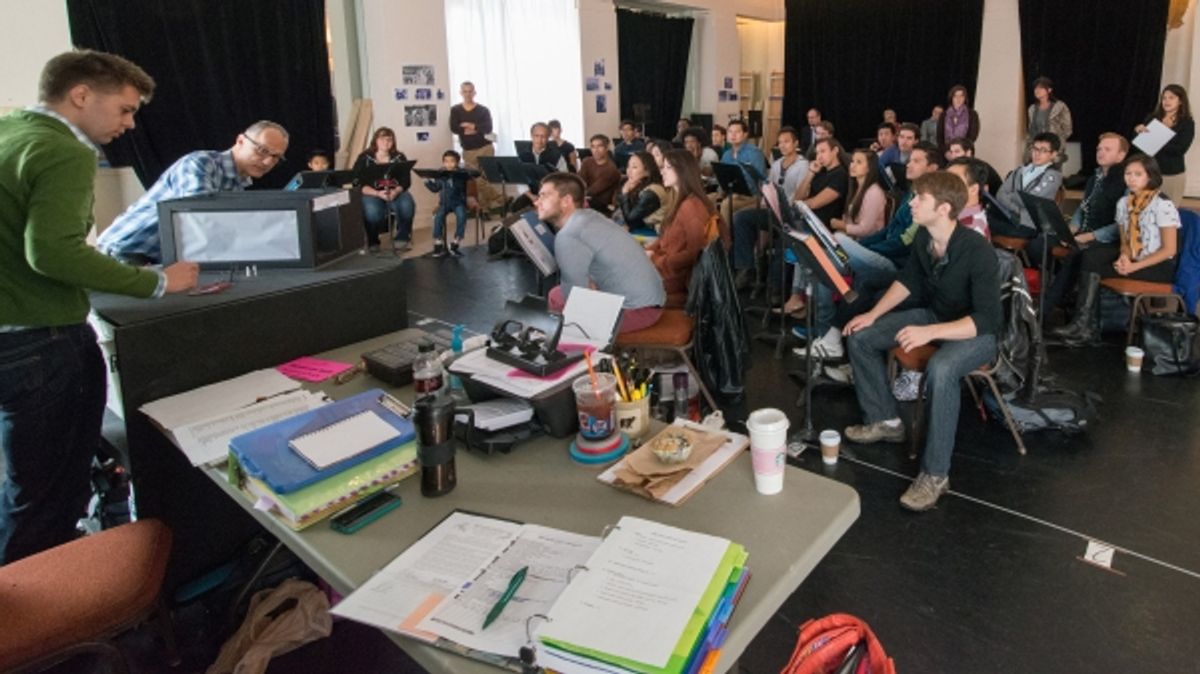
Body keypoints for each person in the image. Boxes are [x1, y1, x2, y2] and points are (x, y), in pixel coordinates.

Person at [1, 50, 200, 564]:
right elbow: (52, 252)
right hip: (40, 339)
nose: (129, 124)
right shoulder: (65, 150)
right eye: (125, 109)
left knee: (21, 482)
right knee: (48, 495)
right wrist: (157, 282)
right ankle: (44, 598)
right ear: (81, 95)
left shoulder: (10, 132)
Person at [842, 172, 1001, 512]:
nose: (911, 203)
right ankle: (885, 420)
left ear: (943, 208)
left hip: (975, 333)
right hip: (936, 316)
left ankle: (935, 475)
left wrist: (930, 332)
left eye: (920, 198)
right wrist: (873, 314)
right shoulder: (925, 239)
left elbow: (988, 320)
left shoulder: (977, 250)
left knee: (941, 370)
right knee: (862, 337)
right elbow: (908, 282)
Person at [794, 142, 945, 358]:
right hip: (881, 253)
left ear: (932, 168)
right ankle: (825, 334)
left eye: (916, 161)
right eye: (910, 159)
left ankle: (830, 337)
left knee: (837, 242)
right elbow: (888, 232)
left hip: (894, 263)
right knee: (824, 265)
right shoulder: (910, 194)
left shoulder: (925, 203)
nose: (908, 164)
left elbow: (903, 242)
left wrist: (864, 248)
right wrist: (862, 247)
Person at [97, 119, 290, 264]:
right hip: (126, 250)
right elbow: (198, 218)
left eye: (276, 158)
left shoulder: (238, 184)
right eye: (262, 150)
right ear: (240, 141)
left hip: (154, 259)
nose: (268, 162)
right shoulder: (200, 163)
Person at [1054, 155, 1180, 346]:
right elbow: (1125, 241)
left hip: (1157, 264)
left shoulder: (1162, 204)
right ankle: (1084, 325)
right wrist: (1124, 257)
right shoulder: (1124, 203)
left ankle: (1086, 327)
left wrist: (1134, 267)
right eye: (1128, 174)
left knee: (1096, 265)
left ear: (1150, 176)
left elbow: (1169, 249)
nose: (1131, 179)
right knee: (1090, 256)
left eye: (1138, 174)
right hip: (1134, 258)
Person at [540, 173, 665, 333]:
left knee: (558, 299)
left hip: (636, 311)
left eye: (545, 196)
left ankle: (569, 343)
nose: (537, 202)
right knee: (560, 293)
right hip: (649, 302)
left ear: (566, 201)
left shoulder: (570, 234)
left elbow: (574, 299)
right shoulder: (591, 216)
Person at [1035, 133, 1130, 316]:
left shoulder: (1125, 181)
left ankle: (1046, 308)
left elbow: (1121, 225)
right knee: (1040, 242)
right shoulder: (1095, 177)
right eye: (1099, 149)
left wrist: (1089, 236)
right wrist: (1071, 229)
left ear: (1121, 155)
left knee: (1077, 254)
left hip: (1106, 239)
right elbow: (1083, 207)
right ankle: (1062, 292)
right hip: (1085, 233)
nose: (1101, 152)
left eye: (1107, 149)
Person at [785, 148, 886, 316]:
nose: (852, 165)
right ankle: (802, 302)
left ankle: (822, 316)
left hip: (860, 250)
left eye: (859, 162)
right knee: (807, 253)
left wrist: (840, 225)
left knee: (819, 265)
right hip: (849, 245)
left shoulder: (873, 192)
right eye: (852, 161)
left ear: (870, 168)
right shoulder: (857, 189)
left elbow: (866, 229)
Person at [732, 127, 809, 289]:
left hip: (790, 215)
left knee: (783, 238)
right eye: (779, 142)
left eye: (786, 142)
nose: (782, 146)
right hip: (772, 211)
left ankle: (775, 286)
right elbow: (769, 187)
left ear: (796, 143)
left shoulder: (803, 165)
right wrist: (764, 200)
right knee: (741, 218)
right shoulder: (777, 164)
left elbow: (800, 196)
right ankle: (746, 268)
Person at [649, 150, 719, 307]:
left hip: (673, 276)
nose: (662, 171)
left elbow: (696, 252)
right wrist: (650, 250)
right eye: (663, 167)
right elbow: (665, 237)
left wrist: (659, 260)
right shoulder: (679, 199)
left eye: (668, 167)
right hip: (666, 268)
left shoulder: (691, 206)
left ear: (683, 170)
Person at [352, 127, 416, 252]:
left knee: (407, 205)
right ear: (375, 140)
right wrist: (377, 193)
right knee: (372, 212)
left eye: (389, 140)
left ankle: (403, 237)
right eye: (382, 139)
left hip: (395, 191)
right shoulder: (364, 158)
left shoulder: (399, 157)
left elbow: (406, 181)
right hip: (371, 193)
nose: (386, 142)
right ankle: (373, 241)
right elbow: (357, 182)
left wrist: (395, 191)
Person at [993, 132, 1063, 238]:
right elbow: (1000, 194)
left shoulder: (1053, 176)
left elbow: (1029, 200)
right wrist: (1017, 208)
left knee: (986, 226)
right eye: (1035, 149)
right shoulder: (1020, 170)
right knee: (983, 219)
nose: (1037, 154)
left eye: (1043, 150)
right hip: (1010, 217)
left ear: (1053, 154)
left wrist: (1011, 197)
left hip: (1030, 225)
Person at [449, 81, 502, 212]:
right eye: (465, 91)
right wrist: (474, 128)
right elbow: (454, 128)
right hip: (468, 150)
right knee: (476, 178)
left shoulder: (483, 110)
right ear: (461, 93)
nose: (468, 94)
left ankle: (485, 208)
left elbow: (487, 128)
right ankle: (500, 198)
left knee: (485, 178)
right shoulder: (455, 110)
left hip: (485, 148)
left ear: (474, 93)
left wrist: (471, 126)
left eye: (470, 91)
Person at [1135, 84, 1194, 200]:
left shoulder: (1187, 123)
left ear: (1180, 101)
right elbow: (1141, 146)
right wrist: (1137, 132)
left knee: (1169, 208)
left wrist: (1160, 133)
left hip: (1171, 174)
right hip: (1149, 172)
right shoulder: (1152, 118)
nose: (1166, 101)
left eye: (1171, 97)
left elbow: (1180, 149)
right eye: (1164, 98)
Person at [424, 150, 470, 258]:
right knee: (438, 217)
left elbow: (468, 179)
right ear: (443, 162)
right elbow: (435, 189)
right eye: (446, 161)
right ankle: (438, 242)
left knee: (462, 215)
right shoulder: (440, 174)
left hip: (458, 202)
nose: (449, 164)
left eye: (452, 161)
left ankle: (456, 241)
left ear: (457, 162)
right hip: (445, 203)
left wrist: (459, 172)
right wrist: (427, 182)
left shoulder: (461, 174)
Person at [614, 150, 670, 232]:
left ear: (647, 171)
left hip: (658, 233)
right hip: (645, 229)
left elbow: (631, 221)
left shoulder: (652, 191)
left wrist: (625, 192)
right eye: (628, 166)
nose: (629, 171)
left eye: (634, 167)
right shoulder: (638, 184)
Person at [721, 120, 768, 213]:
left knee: (726, 205)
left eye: (737, 132)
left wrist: (737, 194)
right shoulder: (726, 154)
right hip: (730, 193)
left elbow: (760, 179)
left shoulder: (754, 153)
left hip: (751, 196)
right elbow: (722, 177)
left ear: (745, 134)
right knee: (707, 199)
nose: (733, 135)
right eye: (730, 132)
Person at [1025, 76, 1072, 164]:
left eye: (1041, 88)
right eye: (1035, 88)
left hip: (1053, 150)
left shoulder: (1059, 107)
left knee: (1052, 171)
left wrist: (1058, 143)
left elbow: (1067, 129)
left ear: (1049, 90)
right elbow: (1031, 130)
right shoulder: (1032, 109)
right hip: (1037, 150)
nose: (1037, 90)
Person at [946, 158, 991, 239]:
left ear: (973, 189)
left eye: (954, 181)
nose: (945, 186)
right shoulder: (954, 214)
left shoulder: (973, 229)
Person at [578, 134, 622, 216]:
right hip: (586, 200)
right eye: (593, 147)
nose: (596, 150)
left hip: (601, 206)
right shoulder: (587, 161)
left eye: (599, 146)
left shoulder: (611, 169)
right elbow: (579, 181)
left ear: (607, 148)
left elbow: (592, 191)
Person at [936, 85, 980, 151]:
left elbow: (973, 135)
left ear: (965, 98)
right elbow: (939, 136)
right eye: (955, 96)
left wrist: (962, 149)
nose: (958, 99)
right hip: (946, 151)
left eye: (961, 96)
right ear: (951, 98)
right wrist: (945, 151)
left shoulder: (972, 114)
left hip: (964, 151)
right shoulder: (944, 115)